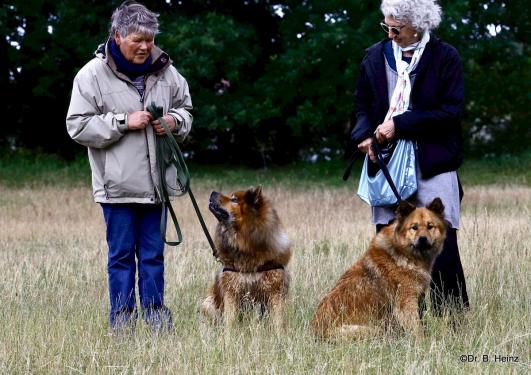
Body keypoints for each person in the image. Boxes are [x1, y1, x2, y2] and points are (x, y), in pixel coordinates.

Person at [66, 1, 192, 332]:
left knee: (153, 259)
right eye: (138, 39)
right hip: (116, 189)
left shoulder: (167, 70)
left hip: (157, 188)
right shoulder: (90, 75)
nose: (146, 46)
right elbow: (77, 126)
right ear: (119, 36)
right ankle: (122, 324)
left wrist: (174, 122)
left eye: (150, 39)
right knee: (121, 259)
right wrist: (123, 121)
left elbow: (186, 109)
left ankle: (157, 321)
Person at [351, 0, 469, 316]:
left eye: (396, 28)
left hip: (434, 161)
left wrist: (400, 125)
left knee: (440, 243)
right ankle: (397, 322)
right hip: (386, 161)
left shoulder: (445, 57)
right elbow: (362, 105)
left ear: (417, 25)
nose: (390, 34)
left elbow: (450, 111)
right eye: (385, 27)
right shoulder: (375, 56)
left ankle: (452, 320)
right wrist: (364, 134)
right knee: (389, 244)